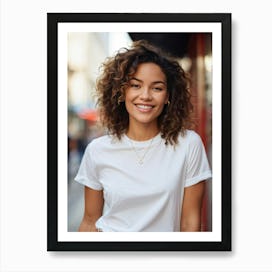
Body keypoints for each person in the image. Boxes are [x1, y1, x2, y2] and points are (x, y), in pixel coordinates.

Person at [74, 40, 212, 232]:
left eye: (157, 88)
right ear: (122, 92)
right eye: (135, 85)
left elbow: (190, 224)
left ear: (168, 96)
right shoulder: (97, 150)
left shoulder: (189, 144)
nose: (145, 96)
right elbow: (90, 221)